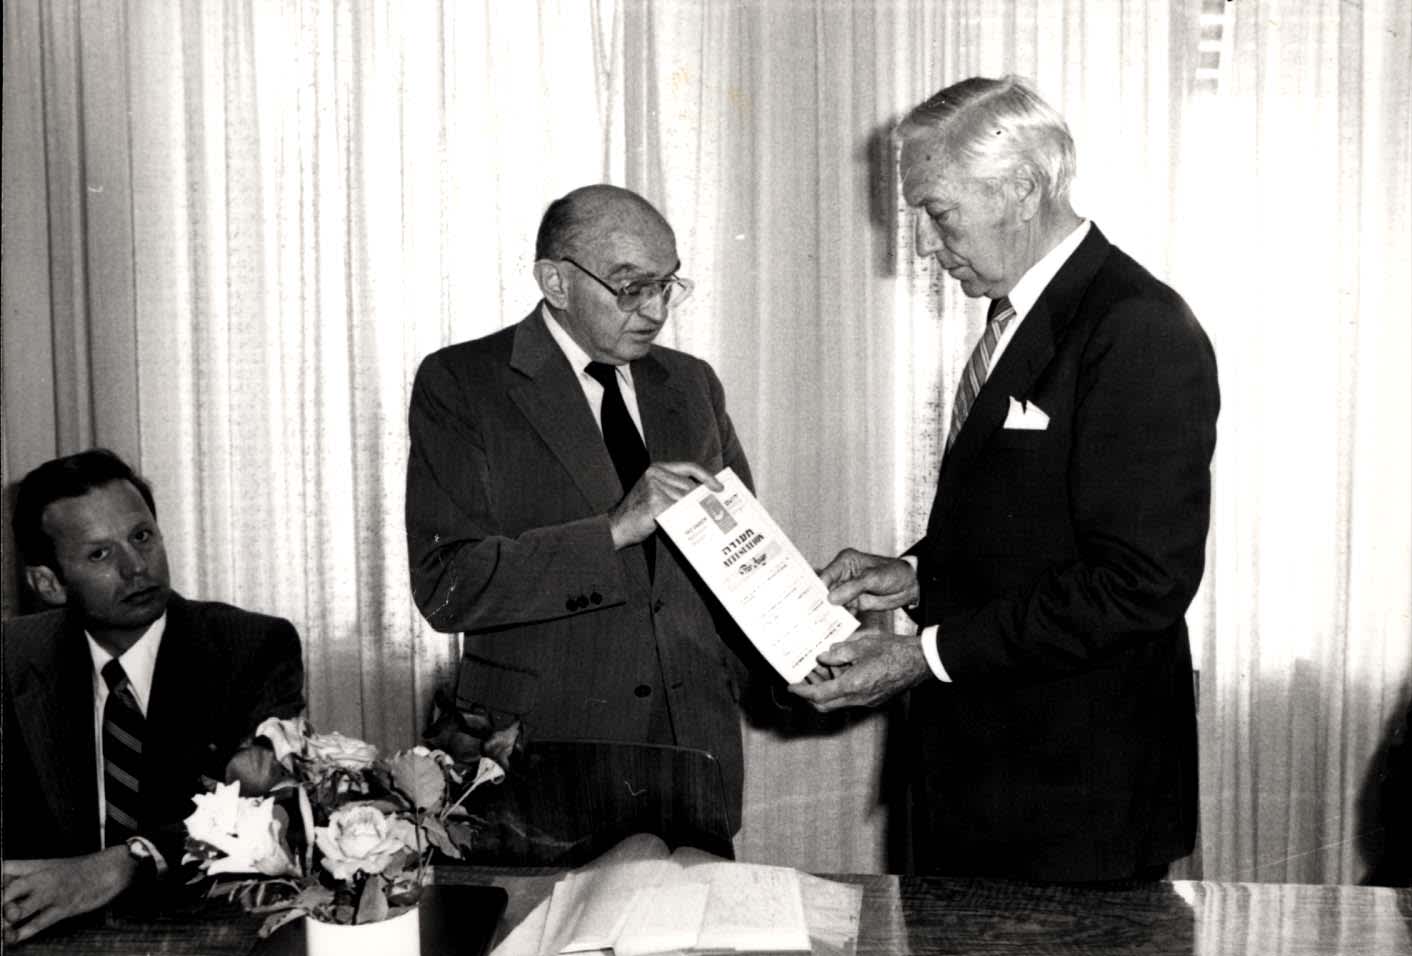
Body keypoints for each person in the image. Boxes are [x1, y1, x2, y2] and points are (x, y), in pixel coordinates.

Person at [790, 76, 1220, 883]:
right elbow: (1031, 522)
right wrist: (914, 572)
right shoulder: (1026, 313)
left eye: (937, 212)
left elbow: (1138, 582)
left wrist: (927, 654)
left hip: (1074, 800)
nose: (922, 244)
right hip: (988, 782)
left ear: (1022, 187)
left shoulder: (1138, 326)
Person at [405, 184, 755, 832]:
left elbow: (741, 567)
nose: (655, 310)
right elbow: (447, 585)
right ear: (556, 283)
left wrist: (808, 627)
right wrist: (615, 531)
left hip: (691, 757)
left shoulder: (693, 384)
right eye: (630, 287)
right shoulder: (462, 385)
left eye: (668, 285)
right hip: (542, 766)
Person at [1, 449, 305, 943]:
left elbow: (265, 812)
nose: (136, 567)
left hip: (204, 933)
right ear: (48, 583)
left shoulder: (251, 648)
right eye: (100, 554)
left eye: (141, 537)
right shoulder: (13, 660)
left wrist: (123, 865)